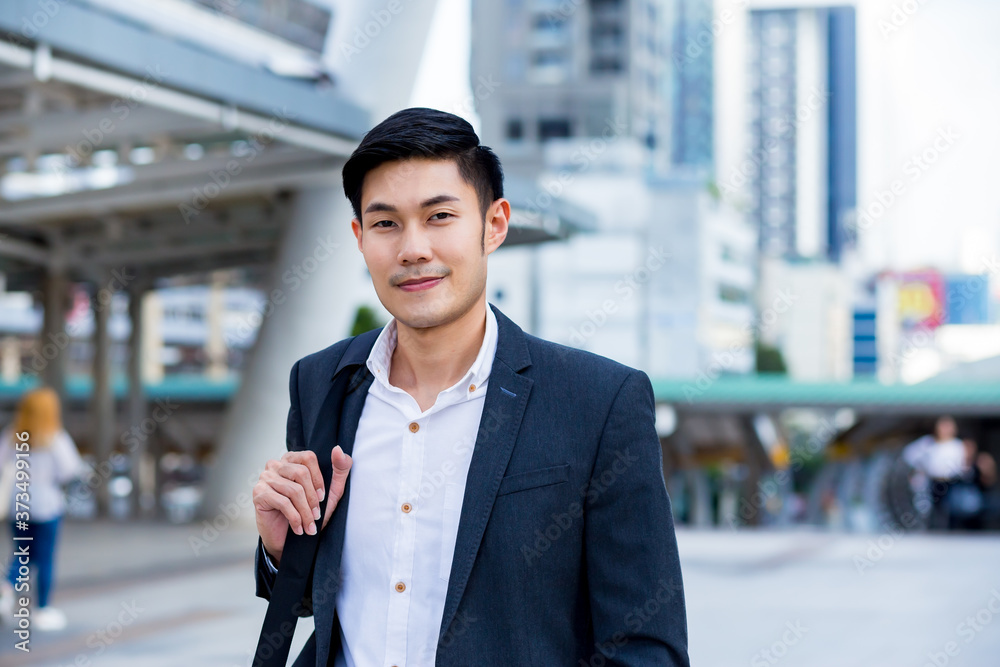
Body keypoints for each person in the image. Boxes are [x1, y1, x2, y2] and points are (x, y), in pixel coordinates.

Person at [251, 108, 689, 666]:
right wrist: (280, 550)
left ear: (494, 224)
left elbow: (645, 647)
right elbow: (324, 598)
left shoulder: (598, 402)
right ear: (360, 238)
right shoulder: (322, 381)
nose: (413, 249)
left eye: (439, 216)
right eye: (385, 223)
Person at [0, 387, 86, 631]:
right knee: (44, 557)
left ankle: (7, 587)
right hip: (46, 505)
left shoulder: (11, 436)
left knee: (22, 552)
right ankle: (43, 609)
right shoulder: (55, 438)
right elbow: (69, 471)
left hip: (17, 505)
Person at [902, 416, 967, 530]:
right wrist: (919, 468)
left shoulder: (957, 445)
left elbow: (959, 464)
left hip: (950, 482)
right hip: (932, 481)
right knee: (929, 510)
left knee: (950, 510)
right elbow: (909, 454)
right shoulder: (928, 443)